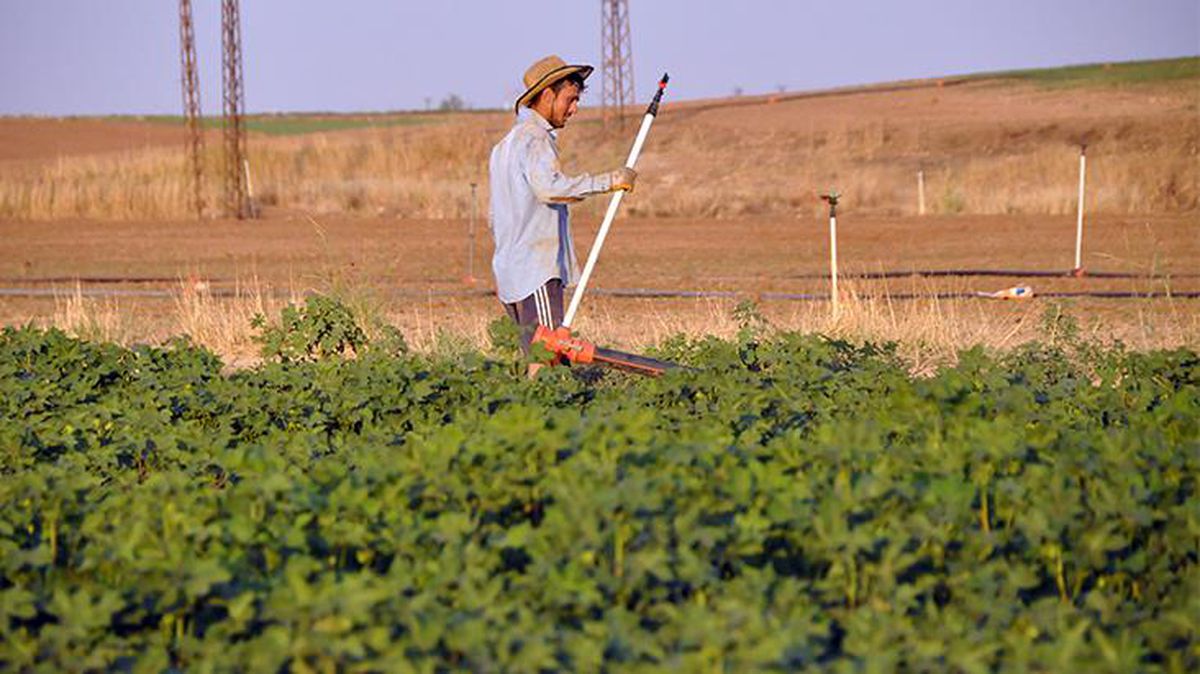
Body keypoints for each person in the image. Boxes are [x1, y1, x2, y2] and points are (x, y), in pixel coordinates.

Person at [489, 55, 636, 377]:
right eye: (570, 100)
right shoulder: (535, 138)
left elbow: (493, 217)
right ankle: (546, 420)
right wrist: (609, 181)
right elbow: (550, 188)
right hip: (535, 271)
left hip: (511, 271)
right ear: (546, 96)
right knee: (547, 360)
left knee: (536, 359)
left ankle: (529, 419)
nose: (574, 109)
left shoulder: (504, 146)